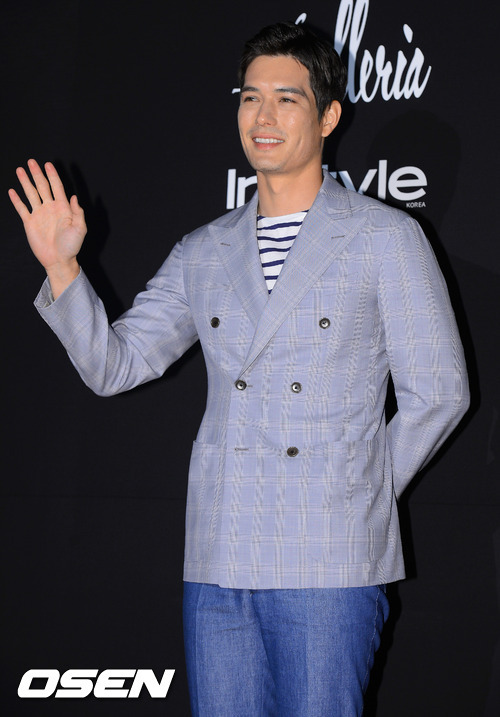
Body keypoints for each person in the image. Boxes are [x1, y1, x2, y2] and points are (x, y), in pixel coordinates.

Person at [9, 21, 469, 717]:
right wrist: (63, 267)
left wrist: (359, 494)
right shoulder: (204, 249)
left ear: (329, 116)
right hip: (220, 554)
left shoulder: (385, 236)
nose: (263, 116)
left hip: (329, 559)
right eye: (251, 97)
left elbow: (440, 392)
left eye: (287, 98)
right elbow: (115, 365)